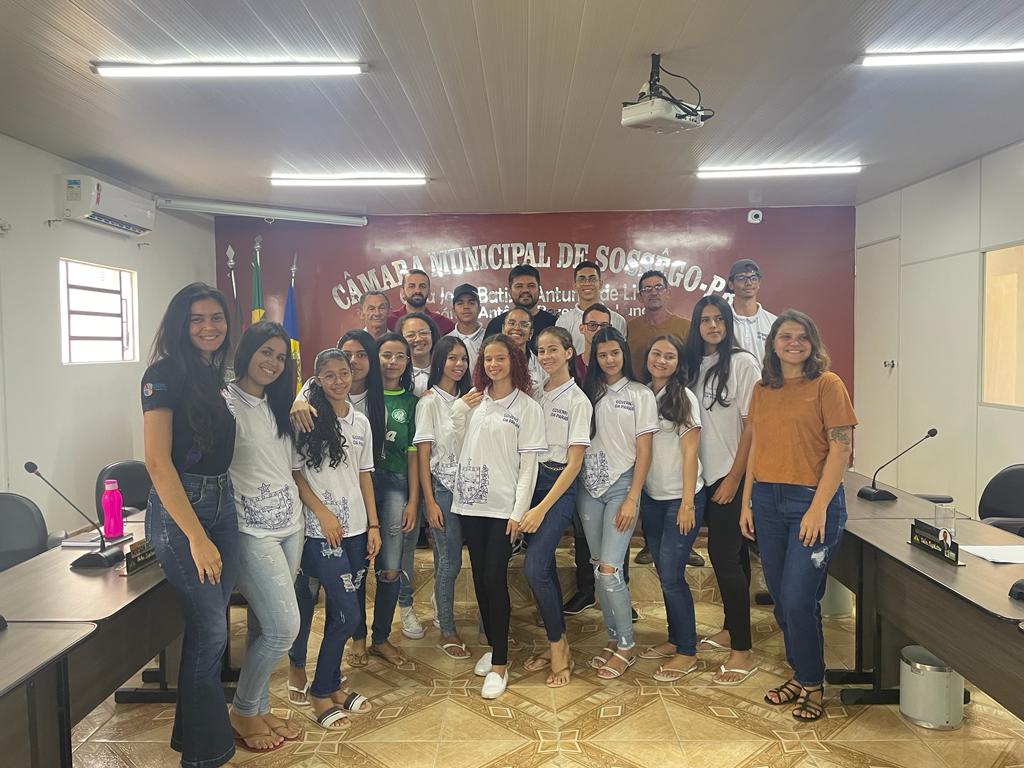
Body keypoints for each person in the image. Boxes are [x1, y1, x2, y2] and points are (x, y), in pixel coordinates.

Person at [740, 310, 856, 722]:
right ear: (773, 344)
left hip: (811, 501)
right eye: (785, 336)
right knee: (781, 598)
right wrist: (746, 501)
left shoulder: (828, 385)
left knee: (798, 597)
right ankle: (802, 672)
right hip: (766, 501)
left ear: (813, 343)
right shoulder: (762, 389)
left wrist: (818, 508)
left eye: (802, 336)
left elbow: (841, 448)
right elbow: (757, 446)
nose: (793, 343)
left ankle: (811, 683)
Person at [141, 282, 239, 768]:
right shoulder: (163, 374)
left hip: (223, 501)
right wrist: (196, 538)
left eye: (216, 318)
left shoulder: (215, 373)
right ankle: (206, 756)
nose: (208, 327)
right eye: (197, 319)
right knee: (211, 633)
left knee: (209, 631)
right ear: (182, 324)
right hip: (184, 511)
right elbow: (158, 463)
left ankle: (192, 739)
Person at [288, 349, 380, 730]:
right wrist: (323, 514)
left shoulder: (361, 422)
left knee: (343, 613)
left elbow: (364, 474)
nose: (339, 381)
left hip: (356, 530)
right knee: (348, 614)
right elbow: (296, 474)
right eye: (330, 375)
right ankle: (320, 692)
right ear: (318, 379)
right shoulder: (306, 418)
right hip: (322, 531)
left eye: (344, 373)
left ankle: (332, 685)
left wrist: (374, 525)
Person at [450, 334, 546, 698]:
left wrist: (518, 512)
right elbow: (457, 445)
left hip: (504, 509)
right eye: (488, 359)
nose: (493, 365)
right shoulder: (476, 400)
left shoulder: (528, 407)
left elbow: (529, 466)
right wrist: (459, 410)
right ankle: (493, 647)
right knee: (479, 579)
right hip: (470, 505)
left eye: (500, 358)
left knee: (494, 579)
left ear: (514, 361)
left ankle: (501, 665)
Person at [226, 322, 302, 752]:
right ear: (247, 351)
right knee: (283, 628)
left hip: (291, 526)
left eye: (280, 357)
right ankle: (241, 710)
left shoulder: (280, 403)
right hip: (250, 530)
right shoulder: (224, 401)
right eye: (265, 352)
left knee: (263, 626)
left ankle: (259, 707)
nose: (272, 362)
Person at [682, 296, 759, 684]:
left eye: (719, 319)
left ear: (728, 324)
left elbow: (752, 427)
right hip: (702, 477)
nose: (713, 326)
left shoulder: (743, 363)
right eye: (705, 320)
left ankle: (742, 650)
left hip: (731, 476)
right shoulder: (691, 366)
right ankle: (731, 627)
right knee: (735, 558)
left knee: (724, 558)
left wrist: (733, 478)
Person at [580, 327, 658, 680]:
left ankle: (627, 645)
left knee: (611, 570)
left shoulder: (641, 394)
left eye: (614, 353)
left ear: (624, 354)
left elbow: (645, 450)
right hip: (588, 487)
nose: (609, 360)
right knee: (599, 567)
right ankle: (613, 639)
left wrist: (632, 497)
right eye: (602, 355)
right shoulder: (589, 392)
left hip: (622, 486)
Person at [519, 326, 591, 688]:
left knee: (534, 567)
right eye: (541, 351)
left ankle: (560, 646)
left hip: (558, 486)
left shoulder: (578, 401)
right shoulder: (534, 392)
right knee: (541, 567)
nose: (546, 356)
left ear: (568, 352)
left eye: (553, 350)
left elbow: (575, 464)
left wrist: (541, 508)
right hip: (529, 481)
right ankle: (554, 641)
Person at [348, 332, 419, 667]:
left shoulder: (411, 402)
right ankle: (357, 637)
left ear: (408, 362)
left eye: (400, 356)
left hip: (394, 485)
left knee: (390, 567)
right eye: (386, 355)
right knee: (357, 567)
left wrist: (413, 500)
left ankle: (381, 638)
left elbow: (413, 455)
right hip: (356, 485)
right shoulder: (358, 393)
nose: (392, 362)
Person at [637, 335, 705, 682]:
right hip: (652, 497)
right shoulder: (643, 395)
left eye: (669, 356)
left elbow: (691, 452)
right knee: (664, 571)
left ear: (679, 363)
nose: (661, 360)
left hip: (681, 499)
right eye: (656, 353)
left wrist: (688, 503)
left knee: (672, 574)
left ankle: (687, 651)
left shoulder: (684, 397)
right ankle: (674, 638)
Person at [413, 337, 473, 660]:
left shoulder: (470, 398)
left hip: (472, 491)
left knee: (447, 562)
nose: (458, 364)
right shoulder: (429, 403)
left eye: (463, 358)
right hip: (443, 490)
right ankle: (447, 629)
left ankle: (442, 614)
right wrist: (430, 502)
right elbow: (423, 455)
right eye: (452, 358)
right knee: (450, 563)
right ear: (440, 361)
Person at [625, 270, 691, 379]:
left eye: (659, 287)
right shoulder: (630, 327)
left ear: (668, 293)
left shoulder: (685, 327)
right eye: (647, 289)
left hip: (674, 388)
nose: (654, 293)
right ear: (640, 297)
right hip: (636, 388)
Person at [556, 261, 627, 357]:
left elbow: (621, 356)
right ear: (575, 285)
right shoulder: (564, 321)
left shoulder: (618, 320)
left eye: (592, 279)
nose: (587, 283)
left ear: (600, 284)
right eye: (582, 279)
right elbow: (561, 357)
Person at [484, 265, 557, 350]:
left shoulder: (553, 323)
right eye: (519, 286)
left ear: (539, 290)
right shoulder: (496, 324)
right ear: (510, 291)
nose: (525, 290)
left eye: (531, 286)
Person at [727, 259, 776, 360]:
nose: (749, 283)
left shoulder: (773, 323)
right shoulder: (721, 321)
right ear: (731, 284)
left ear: (759, 284)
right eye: (741, 278)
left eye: (753, 278)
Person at [387, 269, 455, 334]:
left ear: (429, 292)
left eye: (422, 286)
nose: (417, 291)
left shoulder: (444, 324)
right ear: (402, 292)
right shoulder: (390, 322)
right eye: (412, 286)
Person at [502, 306, 547, 390]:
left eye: (524, 325)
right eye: (511, 323)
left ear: (531, 333)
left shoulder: (543, 367)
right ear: (503, 329)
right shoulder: (490, 363)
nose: (517, 328)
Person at [397, 311, 439, 397]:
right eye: (411, 335)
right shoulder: (396, 373)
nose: (418, 339)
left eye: (423, 333)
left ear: (432, 335)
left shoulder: (444, 370)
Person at [447, 283, 486, 369]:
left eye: (471, 303)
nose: (466, 307)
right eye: (460, 303)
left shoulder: (489, 337)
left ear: (479, 309)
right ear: (453, 310)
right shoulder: (446, 341)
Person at [573, 302, 613, 381]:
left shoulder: (614, 365)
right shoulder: (572, 366)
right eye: (592, 325)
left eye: (604, 326)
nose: (598, 330)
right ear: (582, 329)